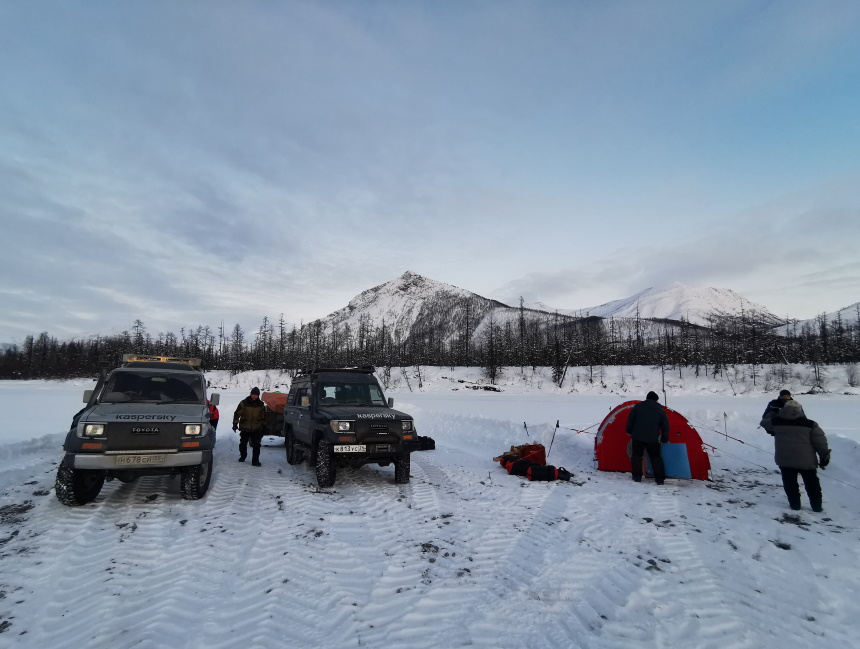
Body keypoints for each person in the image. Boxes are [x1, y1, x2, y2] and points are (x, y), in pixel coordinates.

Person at [760, 399, 830, 512]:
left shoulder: (776, 422)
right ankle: (816, 506)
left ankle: (795, 505)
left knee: (790, 484)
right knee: (812, 484)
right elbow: (820, 443)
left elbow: (764, 423)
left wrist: (772, 410)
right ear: (800, 410)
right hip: (806, 461)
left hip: (785, 460)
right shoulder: (810, 424)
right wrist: (824, 457)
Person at [626, 391, 670, 485]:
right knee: (655, 458)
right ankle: (659, 479)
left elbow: (630, 419)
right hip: (652, 439)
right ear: (656, 400)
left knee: (637, 456)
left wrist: (629, 431)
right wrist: (664, 439)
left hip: (637, 437)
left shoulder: (637, 407)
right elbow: (665, 426)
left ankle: (637, 477)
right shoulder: (660, 410)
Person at [233, 387, 266, 466]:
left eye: (256, 395)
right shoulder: (244, 403)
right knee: (243, 444)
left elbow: (263, 416)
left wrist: (264, 426)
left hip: (256, 427)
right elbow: (237, 414)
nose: (254, 396)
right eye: (253, 394)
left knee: (256, 445)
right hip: (245, 427)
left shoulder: (261, 404)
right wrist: (235, 424)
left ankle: (255, 461)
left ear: (258, 395)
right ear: (250, 394)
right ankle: (243, 456)